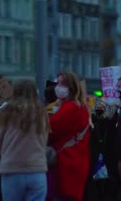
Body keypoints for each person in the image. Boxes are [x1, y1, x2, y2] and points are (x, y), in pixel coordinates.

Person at [0, 79, 49, 201]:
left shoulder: (5, 111)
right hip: (37, 169)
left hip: (12, 169)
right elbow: (44, 141)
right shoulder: (41, 113)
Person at [49, 71, 91, 201]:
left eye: (62, 84)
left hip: (68, 163)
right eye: (58, 83)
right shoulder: (78, 106)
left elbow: (49, 129)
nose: (58, 87)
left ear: (71, 88)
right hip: (75, 160)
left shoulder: (71, 107)